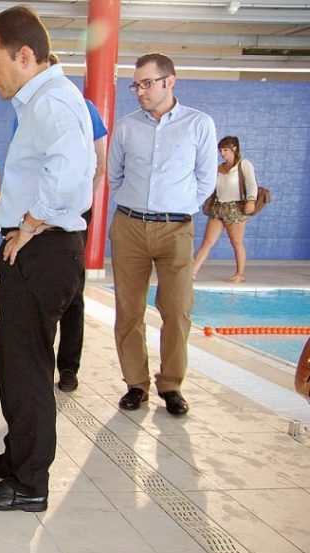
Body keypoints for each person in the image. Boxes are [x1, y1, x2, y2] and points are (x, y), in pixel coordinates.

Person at [0, 6, 94, 513]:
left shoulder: (53, 103)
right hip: (36, 244)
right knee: (18, 362)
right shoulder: (40, 101)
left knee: (28, 367)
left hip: (43, 247)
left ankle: (29, 483)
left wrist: (32, 223)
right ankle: (18, 457)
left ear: (24, 55)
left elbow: (73, 177)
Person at [108, 52, 218, 416]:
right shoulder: (125, 127)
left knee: (177, 309)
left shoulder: (198, 124)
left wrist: (178, 205)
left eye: (147, 83)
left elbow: (206, 180)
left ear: (170, 81)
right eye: (135, 84)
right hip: (129, 226)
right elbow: (114, 177)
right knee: (128, 309)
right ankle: (135, 385)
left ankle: (170, 385)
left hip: (176, 229)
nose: (139, 90)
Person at [54, 95, 109, 393]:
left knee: (73, 293)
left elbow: (100, 165)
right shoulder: (24, 107)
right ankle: (38, 365)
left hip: (74, 213)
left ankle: (68, 367)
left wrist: (80, 205)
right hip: (37, 214)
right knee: (40, 295)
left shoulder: (83, 107)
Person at [192, 136, 259, 283]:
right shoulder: (219, 168)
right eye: (220, 150)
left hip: (235, 208)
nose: (222, 153)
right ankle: (192, 272)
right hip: (218, 207)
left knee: (236, 242)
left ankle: (240, 274)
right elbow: (211, 188)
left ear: (234, 148)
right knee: (207, 242)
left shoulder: (243, 164)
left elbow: (252, 184)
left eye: (225, 150)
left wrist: (251, 200)